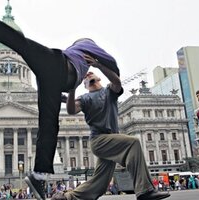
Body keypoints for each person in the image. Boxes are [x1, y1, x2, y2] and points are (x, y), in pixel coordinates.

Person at [0, 1, 119, 199]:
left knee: (48, 122)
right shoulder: (79, 50)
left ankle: (38, 174)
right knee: (48, 122)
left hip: (54, 73)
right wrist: (96, 70)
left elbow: (112, 74)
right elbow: (112, 71)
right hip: (56, 71)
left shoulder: (90, 51)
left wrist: (98, 66)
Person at [52, 56, 170, 200]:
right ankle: (145, 191)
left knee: (100, 183)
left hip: (112, 140)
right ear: (84, 84)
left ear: (99, 78)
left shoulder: (109, 91)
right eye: (85, 76)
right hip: (99, 140)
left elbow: (116, 82)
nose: (88, 74)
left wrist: (98, 64)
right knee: (133, 142)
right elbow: (71, 110)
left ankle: (67, 197)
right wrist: (71, 89)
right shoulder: (84, 98)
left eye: (90, 73)